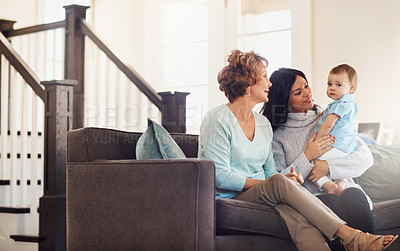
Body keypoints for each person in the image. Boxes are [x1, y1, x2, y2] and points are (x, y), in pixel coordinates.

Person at [199, 49, 398, 251]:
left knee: (301, 224)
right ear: (248, 82)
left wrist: (289, 179)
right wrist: (276, 182)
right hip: (233, 197)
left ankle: (355, 241)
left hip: (267, 192)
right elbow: (221, 176)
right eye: (265, 78)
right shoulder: (217, 119)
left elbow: (271, 172)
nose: (269, 84)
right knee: (280, 183)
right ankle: (352, 237)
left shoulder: (263, 124)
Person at [313, 64, 360, 195]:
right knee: (341, 173)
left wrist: (316, 142)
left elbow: (328, 125)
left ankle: (328, 185)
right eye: (329, 84)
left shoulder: (339, 104)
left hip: (334, 147)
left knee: (312, 164)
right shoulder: (351, 104)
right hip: (346, 149)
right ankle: (341, 185)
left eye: (338, 85)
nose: (332, 88)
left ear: (352, 88)